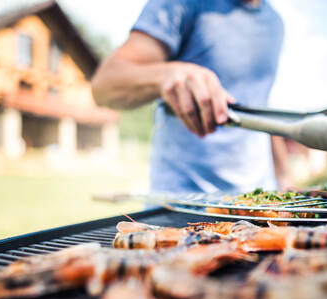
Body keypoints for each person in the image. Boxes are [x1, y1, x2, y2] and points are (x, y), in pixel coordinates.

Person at [92, 0, 292, 193]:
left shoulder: (275, 22)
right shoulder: (180, 3)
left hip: (255, 200)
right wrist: (166, 75)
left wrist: (284, 176)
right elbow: (104, 85)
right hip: (183, 203)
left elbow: (260, 102)